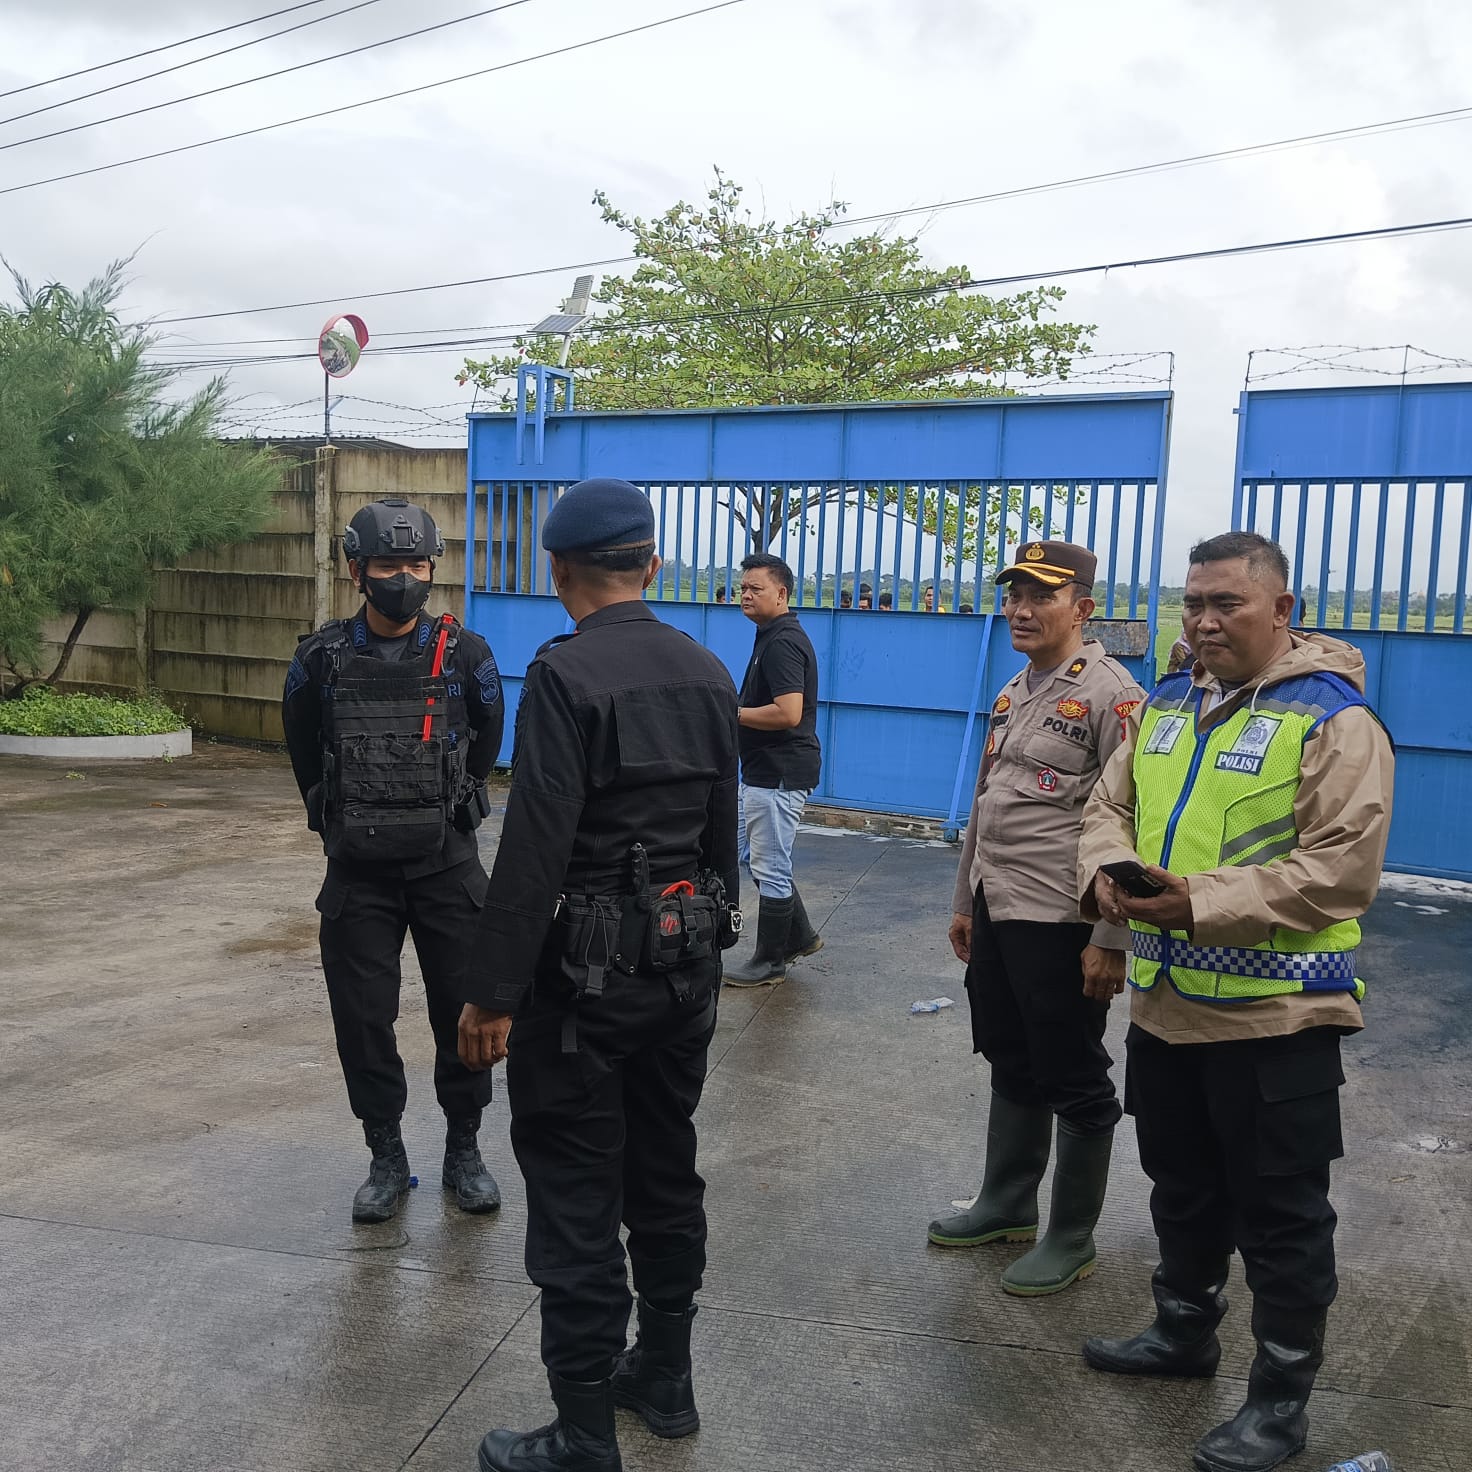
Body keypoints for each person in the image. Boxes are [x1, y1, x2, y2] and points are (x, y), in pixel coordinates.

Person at [1078, 531, 1394, 1472]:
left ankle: (1279, 1403)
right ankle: (1183, 1333)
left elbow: (1342, 869)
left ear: (1281, 611)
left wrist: (1200, 902)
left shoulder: (1333, 720)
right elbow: (1109, 808)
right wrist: (1106, 874)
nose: (1205, 621)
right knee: (1181, 1187)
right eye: (1193, 603)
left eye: (1227, 603)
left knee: (1282, 1217)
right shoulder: (1168, 703)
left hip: (1275, 1020)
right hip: (1166, 1004)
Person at [455, 478, 741, 1472]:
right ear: (651, 564)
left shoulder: (564, 674)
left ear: (557, 569)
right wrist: (710, 943)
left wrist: (492, 993)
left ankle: (582, 1435)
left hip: (582, 988)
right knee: (664, 1170)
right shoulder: (707, 668)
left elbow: (535, 845)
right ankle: (663, 1377)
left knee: (577, 1195)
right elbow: (719, 832)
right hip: (684, 972)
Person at [928, 540, 1143, 1296]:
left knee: (1071, 1072)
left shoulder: (1114, 696)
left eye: (1040, 596)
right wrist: (966, 901)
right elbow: (987, 803)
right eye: (1014, 594)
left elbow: (1131, 822)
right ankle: (1007, 1203)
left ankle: (1071, 1236)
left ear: (1083, 608)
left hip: (1060, 916)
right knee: (1009, 1052)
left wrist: (1111, 937)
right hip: (999, 905)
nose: (1020, 609)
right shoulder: (1016, 689)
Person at [282, 497, 506, 1224]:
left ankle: (464, 1151)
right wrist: (336, 811)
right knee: (362, 1020)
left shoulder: (467, 654)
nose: (403, 577)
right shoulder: (319, 659)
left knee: (462, 1014)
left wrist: (456, 797)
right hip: (360, 875)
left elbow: (488, 735)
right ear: (357, 571)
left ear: (433, 569)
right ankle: (385, 1156)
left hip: (447, 867)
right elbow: (301, 744)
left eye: (416, 563)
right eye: (387, 564)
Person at [722, 551, 825, 987]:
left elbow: (788, 712)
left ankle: (770, 962)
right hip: (764, 771)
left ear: (781, 594)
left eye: (755, 588)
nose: (745, 595)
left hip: (779, 773)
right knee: (754, 856)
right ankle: (799, 936)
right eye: (743, 588)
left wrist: (731, 713)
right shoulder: (771, 634)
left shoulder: (782, 642)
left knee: (769, 865)